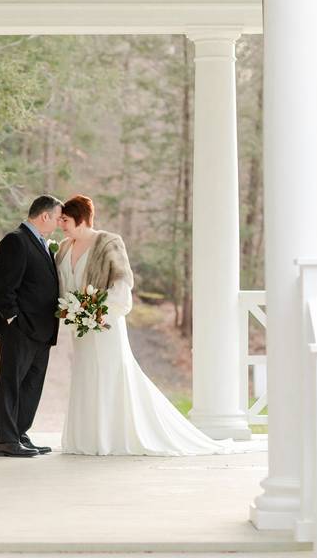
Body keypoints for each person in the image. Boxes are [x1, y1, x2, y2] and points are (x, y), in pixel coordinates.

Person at [56, 194, 255, 456]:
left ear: (81, 218)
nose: (62, 225)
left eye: (66, 220)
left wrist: (95, 309)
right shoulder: (63, 248)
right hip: (79, 327)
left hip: (105, 323)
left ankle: (110, 438)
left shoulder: (108, 242)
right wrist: (72, 311)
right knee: (85, 374)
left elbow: (122, 283)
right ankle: (87, 437)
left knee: (109, 373)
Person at [0, 195, 63, 457]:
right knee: (11, 382)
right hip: (19, 329)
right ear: (44, 216)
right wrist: (13, 320)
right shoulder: (16, 240)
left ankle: (20, 433)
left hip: (42, 329)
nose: (57, 223)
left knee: (31, 385)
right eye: (56, 218)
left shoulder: (42, 243)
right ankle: (6, 441)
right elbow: (4, 287)